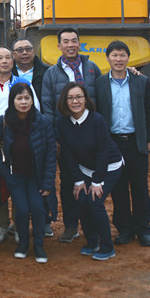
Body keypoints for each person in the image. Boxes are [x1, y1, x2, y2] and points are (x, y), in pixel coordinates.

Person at [95, 40, 150, 247]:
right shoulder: (100, 83)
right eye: (114, 55)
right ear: (108, 58)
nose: (118, 59)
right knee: (119, 189)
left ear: (128, 58)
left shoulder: (141, 81)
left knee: (140, 188)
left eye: (122, 55)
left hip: (135, 142)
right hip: (112, 144)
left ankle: (143, 230)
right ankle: (125, 230)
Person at [41, 27, 101, 243]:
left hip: (90, 134)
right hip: (64, 137)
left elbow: (101, 98)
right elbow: (48, 108)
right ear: (59, 46)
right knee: (68, 183)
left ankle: (94, 226)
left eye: (74, 41)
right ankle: (71, 226)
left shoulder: (92, 68)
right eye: (65, 41)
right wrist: (54, 139)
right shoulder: (51, 74)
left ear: (79, 43)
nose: (70, 45)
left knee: (93, 181)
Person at [0, 83, 57, 264]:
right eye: (19, 98)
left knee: (38, 208)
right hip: (15, 176)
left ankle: (39, 245)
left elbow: (51, 154)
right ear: (12, 101)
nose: (23, 102)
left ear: (33, 100)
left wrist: (48, 182)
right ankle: (23, 244)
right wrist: (4, 172)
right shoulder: (4, 121)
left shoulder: (43, 122)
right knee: (22, 209)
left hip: (36, 176)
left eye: (27, 98)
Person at [0, 46, 38, 243]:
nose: (4, 61)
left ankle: (19, 225)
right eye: (0, 58)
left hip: (19, 146)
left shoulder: (24, 85)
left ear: (13, 61)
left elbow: (35, 112)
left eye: (7, 58)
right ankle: (1, 224)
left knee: (19, 186)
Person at [57, 82, 124, 261]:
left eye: (79, 97)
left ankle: (107, 246)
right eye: (71, 98)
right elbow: (68, 154)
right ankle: (92, 241)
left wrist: (97, 181)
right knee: (80, 199)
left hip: (109, 166)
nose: (75, 101)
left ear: (86, 99)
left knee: (94, 201)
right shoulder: (62, 123)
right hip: (85, 169)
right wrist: (78, 180)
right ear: (65, 101)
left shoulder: (97, 120)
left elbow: (103, 152)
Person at [11, 38, 53, 237]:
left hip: (39, 132)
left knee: (41, 177)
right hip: (16, 134)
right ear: (13, 55)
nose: (25, 53)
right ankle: (17, 223)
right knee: (17, 181)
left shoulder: (47, 73)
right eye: (19, 50)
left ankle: (44, 221)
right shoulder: (8, 73)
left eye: (28, 49)